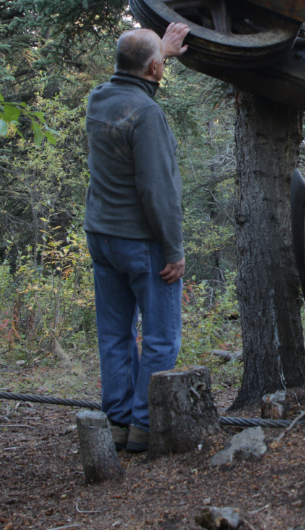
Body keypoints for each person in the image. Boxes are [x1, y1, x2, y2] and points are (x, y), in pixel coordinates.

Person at [84, 22, 191, 452]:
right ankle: (144, 430)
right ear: (153, 68)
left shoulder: (99, 99)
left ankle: (117, 423)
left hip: (101, 237)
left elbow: (132, 76)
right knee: (162, 338)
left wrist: (158, 52)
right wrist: (174, 250)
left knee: (115, 334)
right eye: (159, 63)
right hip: (141, 243)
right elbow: (157, 191)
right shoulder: (147, 114)